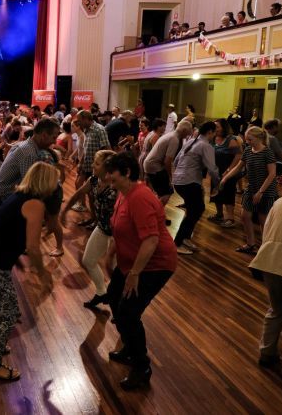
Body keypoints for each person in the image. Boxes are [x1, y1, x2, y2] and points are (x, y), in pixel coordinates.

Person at [0, 162, 58, 381]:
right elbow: (33, 246)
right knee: (8, 311)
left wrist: (16, 259)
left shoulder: (18, 195)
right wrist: (42, 272)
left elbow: (5, 229)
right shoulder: (35, 204)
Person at [104, 152, 178, 390]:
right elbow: (119, 226)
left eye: (112, 175)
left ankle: (141, 366)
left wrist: (134, 274)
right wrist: (110, 255)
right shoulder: (123, 193)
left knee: (127, 312)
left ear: (127, 172)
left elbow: (151, 241)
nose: (108, 179)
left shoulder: (140, 197)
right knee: (114, 298)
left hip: (154, 264)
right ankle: (129, 346)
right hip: (132, 262)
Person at [60, 150, 116, 308]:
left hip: (118, 234)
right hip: (103, 228)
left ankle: (119, 304)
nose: (92, 165)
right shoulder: (94, 180)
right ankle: (101, 292)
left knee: (116, 270)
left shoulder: (115, 186)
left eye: (97, 163)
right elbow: (78, 193)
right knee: (88, 260)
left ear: (107, 167)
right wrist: (64, 211)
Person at [220, 126, 279, 255]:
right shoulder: (247, 150)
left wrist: (261, 192)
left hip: (266, 190)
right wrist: (226, 178)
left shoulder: (267, 152)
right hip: (251, 188)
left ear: (259, 138)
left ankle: (265, 249)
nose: (247, 142)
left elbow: (272, 174)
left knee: (263, 220)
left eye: (250, 139)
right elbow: (238, 167)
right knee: (245, 216)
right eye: (247, 139)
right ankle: (251, 244)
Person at [249, 197, 282, 379]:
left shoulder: (280, 203)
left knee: (277, 309)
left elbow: (266, 232)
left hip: (269, 261)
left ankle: (267, 353)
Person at [171, 121, 220, 255]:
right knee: (196, 210)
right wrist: (218, 183)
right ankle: (178, 243)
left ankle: (185, 238)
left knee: (195, 209)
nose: (215, 135)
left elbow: (175, 161)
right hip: (189, 182)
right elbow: (212, 169)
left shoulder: (191, 141)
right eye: (214, 132)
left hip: (179, 181)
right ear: (210, 132)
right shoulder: (206, 145)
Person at [143, 120, 193, 208]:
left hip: (150, 165)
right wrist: (170, 176)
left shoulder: (170, 134)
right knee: (166, 193)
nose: (186, 137)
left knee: (160, 193)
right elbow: (167, 161)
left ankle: (156, 214)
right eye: (187, 134)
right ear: (184, 130)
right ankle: (155, 215)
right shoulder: (175, 139)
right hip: (155, 167)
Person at [208, 119, 242, 229]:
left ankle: (230, 219)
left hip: (228, 172)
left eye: (217, 126)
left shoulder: (231, 140)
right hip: (216, 171)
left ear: (224, 127)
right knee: (216, 192)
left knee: (228, 194)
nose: (215, 129)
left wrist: (229, 170)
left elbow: (238, 155)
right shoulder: (214, 138)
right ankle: (219, 214)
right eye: (214, 127)